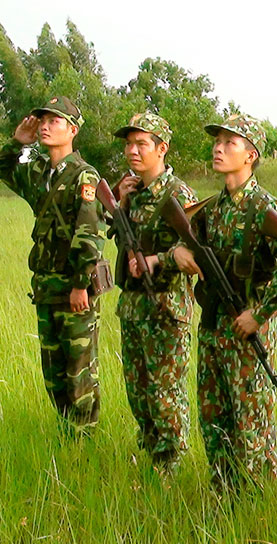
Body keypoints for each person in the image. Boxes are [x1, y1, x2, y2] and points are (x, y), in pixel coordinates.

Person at [170, 114, 277, 491]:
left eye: (230, 142)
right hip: (212, 330)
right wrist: (178, 252)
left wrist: (258, 315)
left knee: (252, 423)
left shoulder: (266, 208)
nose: (219, 147)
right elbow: (182, 239)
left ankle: (260, 503)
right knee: (214, 418)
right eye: (217, 141)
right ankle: (224, 496)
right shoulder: (211, 207)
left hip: (247, 335)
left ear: (251, 154)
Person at [0, 96, 108, 432]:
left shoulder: (84, 176)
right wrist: (17, 142)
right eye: (42, 120)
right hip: (45, 288)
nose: (44, 126)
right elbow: (3, 169)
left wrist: (80, 284)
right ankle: (67, 435)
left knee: (79, 374)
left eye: (53, 121)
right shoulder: (40, 172)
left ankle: (84, 441)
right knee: (55, 375)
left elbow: (89, 234)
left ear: (72, 130)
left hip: (74, 289)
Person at [111, 112, 197, 472]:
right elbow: (120, 238)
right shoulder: (133, 192)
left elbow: (194, 254)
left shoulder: (180, 195)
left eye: (141, 143)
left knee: (165, 395)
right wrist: (120, 204)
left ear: (161, 148)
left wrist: (157, 260)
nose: (133, 150)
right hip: (133, 308)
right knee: (139, 393)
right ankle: (150, 460)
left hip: (165, 310)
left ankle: (171, 467)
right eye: (129, 144)